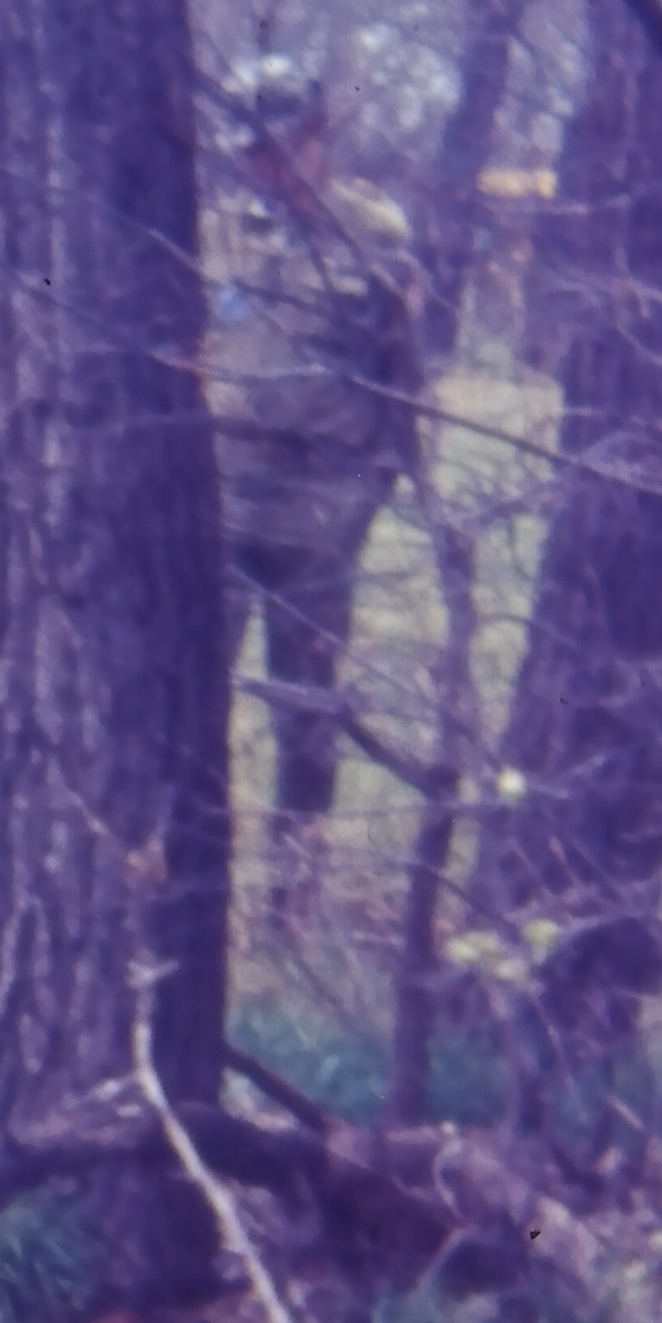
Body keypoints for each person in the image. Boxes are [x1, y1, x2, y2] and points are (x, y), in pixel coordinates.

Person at [202, 54, 425, 875]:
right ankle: (190, 875)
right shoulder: (221, 231)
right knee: (196, 691)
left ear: (315, 135)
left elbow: (402, 375)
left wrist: (373, 489)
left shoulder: (374, 237)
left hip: (323, 501)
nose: (258, 164)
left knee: (306, 705)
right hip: (225, 491)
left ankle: (294, 881)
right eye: (246, 150)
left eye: (274, 145)